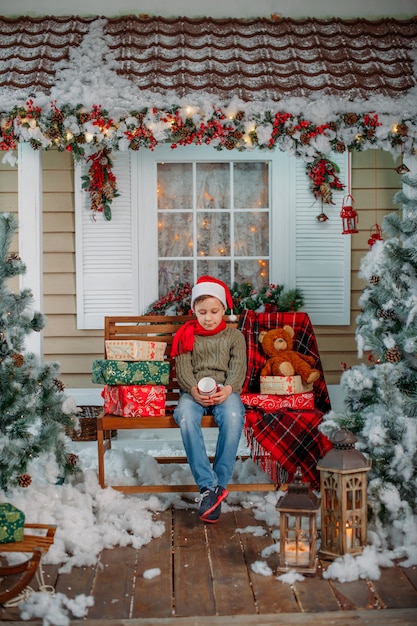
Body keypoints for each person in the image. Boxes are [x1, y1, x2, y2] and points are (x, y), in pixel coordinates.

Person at [172, 276, 247, 523]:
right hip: (193, 393)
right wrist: (192, 390)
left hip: (225, 391)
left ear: (224, 309)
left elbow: (238, 368)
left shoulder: (234, 337)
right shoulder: (186, 335)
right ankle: (209, 486)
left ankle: (216, 485)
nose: (208, 317)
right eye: (202, 311)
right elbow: (183, 369)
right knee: (185, 416)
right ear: (193, 310)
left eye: (214, 311)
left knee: (234, 416)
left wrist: (228, 389)